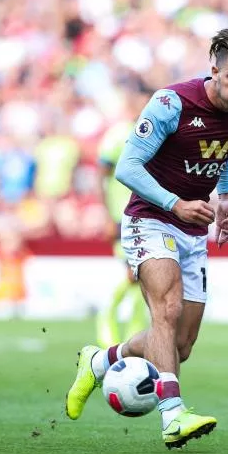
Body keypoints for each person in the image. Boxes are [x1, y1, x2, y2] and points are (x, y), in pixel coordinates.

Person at [65, 22, 228, 449]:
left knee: (180, 344)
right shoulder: (171, 103)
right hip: (150, 218)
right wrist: (175, 203)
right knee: (167, 310)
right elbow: (127, 168)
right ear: (213, 67)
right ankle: (173, 416)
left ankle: (100, 361)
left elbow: (224, 149)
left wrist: (226, 197)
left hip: (193, 227)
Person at [95, 122, 150, 346]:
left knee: (143, 280)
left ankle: (132, 339)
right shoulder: (120, 134)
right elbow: (102, 173)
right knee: (133, 274)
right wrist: (106, 214)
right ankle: (105, 318)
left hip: (148, 217)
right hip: (122, 216)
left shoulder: (163, 134)